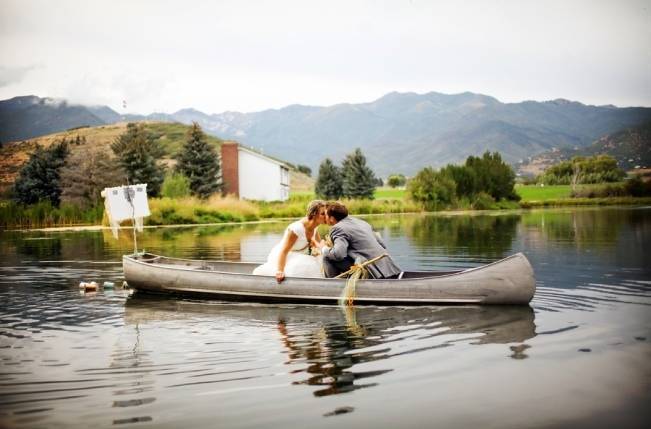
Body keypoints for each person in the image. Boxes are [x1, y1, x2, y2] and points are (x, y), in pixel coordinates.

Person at [316, 201, 402, 279]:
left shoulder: (337, 228)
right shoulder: (361, 222)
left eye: (326, 215)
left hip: (371, 272)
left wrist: (323, 248)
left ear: (332, 218)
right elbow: (382, 244)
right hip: (389, 269)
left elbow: (339, 254)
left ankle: (334, 286)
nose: (324, 218)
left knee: (327, 257)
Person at [253, 200, 326, 282]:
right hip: (286, 256)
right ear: (314, 214)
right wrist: (280, 270)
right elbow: (283, 251)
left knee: (321, 259)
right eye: (323, 214)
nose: (326, 216)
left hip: (300, 256)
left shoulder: (315, 226)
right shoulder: (296, 229)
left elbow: (320, 246)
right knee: (309, 264)